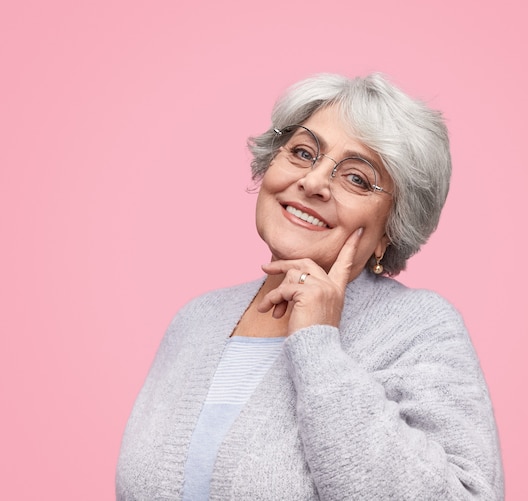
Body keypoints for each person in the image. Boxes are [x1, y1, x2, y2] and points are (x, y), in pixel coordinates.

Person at [116, 73, 504, 500]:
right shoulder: (196, 320)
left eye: (356, 178)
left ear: (391, 227)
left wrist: (318, 346)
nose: (314, 182)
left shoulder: (419, 328)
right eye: (303, 152)